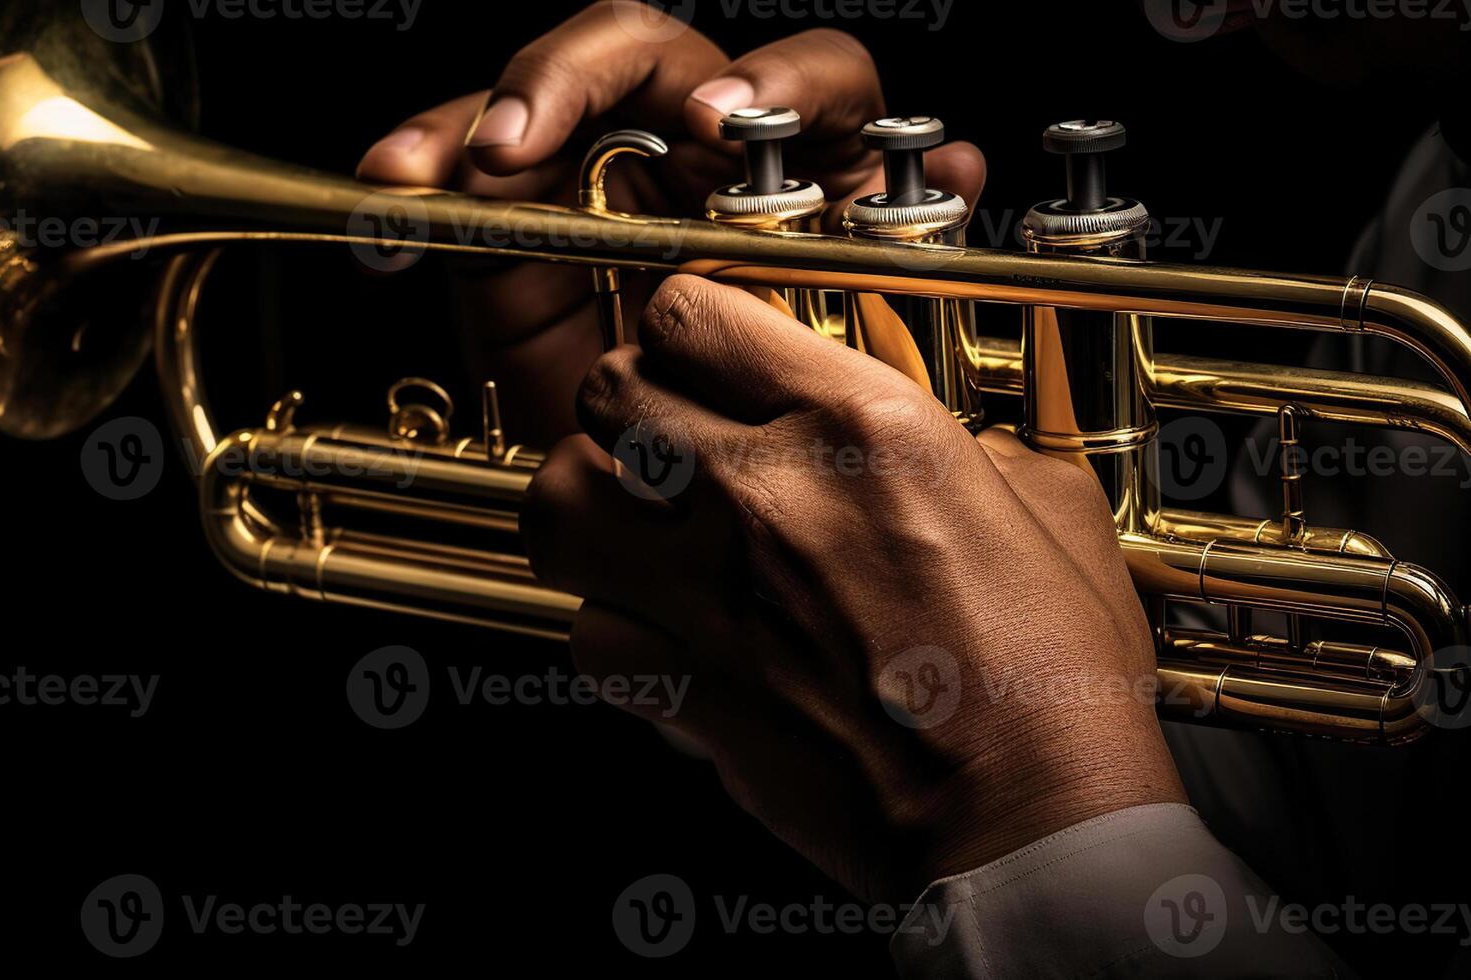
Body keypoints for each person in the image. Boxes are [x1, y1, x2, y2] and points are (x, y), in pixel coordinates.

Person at [355, 3, 1462, 973]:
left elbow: (1119, 808)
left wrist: (1029, 814)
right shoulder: (1446, 187)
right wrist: (746, 492)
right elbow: (1311, 811)